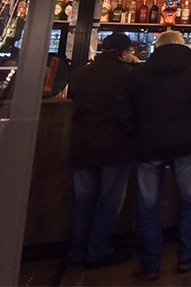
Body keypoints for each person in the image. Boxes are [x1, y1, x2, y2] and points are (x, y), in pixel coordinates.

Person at [116, 29, 191, 281]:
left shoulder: (138, 72)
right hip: (185, 145)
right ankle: (187, 256)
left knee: (147, 206)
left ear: (157, 46)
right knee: (190, 201)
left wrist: (137, 131)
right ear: (183, 45)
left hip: (149, 146)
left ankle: (150, 265)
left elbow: (123, 109)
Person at [68, 32, 136, 269]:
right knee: (108, 202)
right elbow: (133, 107)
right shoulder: (128, 74)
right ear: (124, 53)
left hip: (82, 143)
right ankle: (97, 252)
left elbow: (74, 99)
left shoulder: (80, 73)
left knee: (83, 201)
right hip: (114, 145)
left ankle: (76, 252)